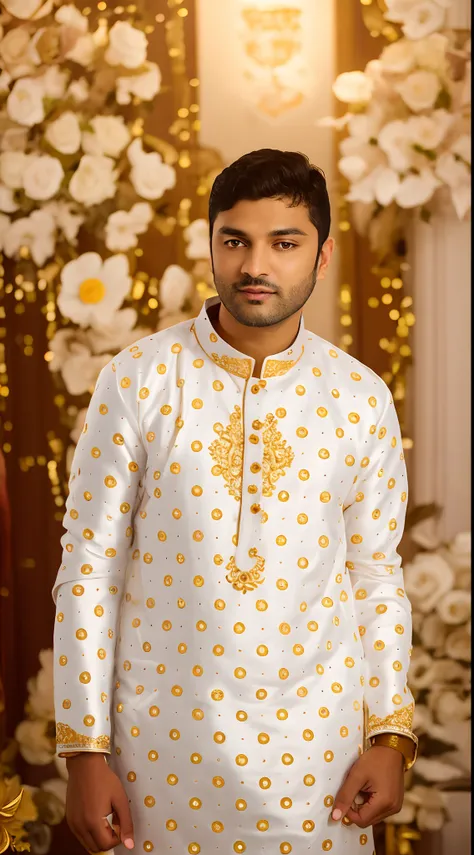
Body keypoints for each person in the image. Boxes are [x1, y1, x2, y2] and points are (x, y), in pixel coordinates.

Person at [52, 149, 417, 855]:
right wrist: (85, 753)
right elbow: (89, 566)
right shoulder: (138, 379)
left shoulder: (360, 398)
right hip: (158, 753)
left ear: (322, 254)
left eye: (284, 243)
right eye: (235, 240)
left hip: (320, 760)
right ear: (211, 244)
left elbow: (376, 579)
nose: (257, 265)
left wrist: (391, 736)